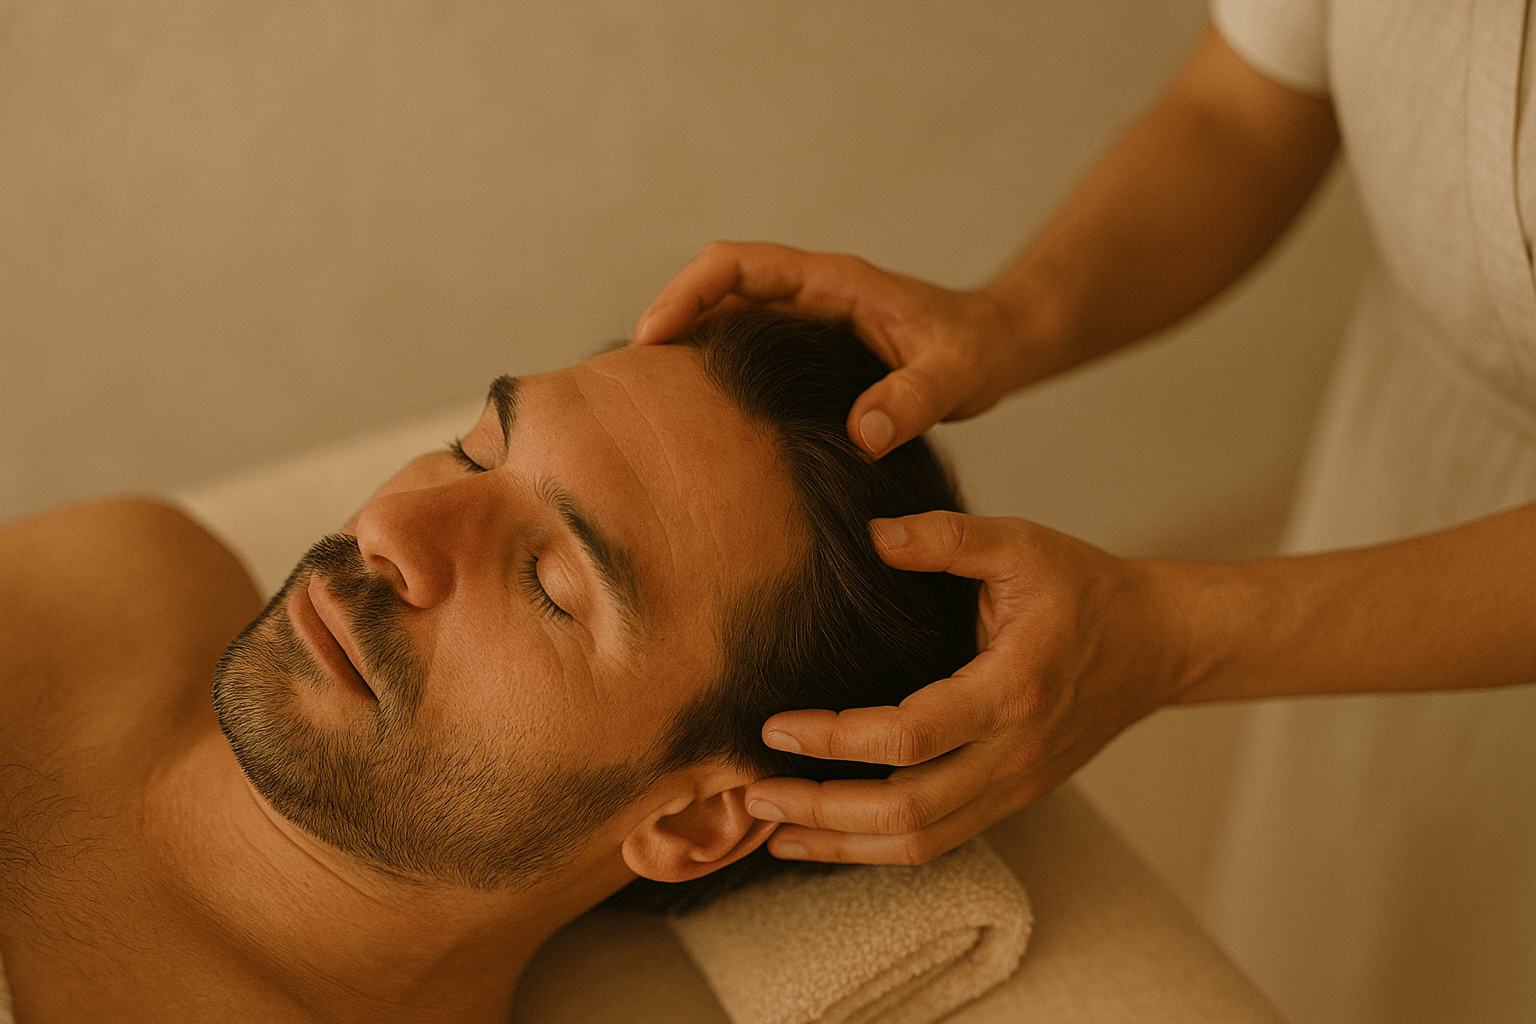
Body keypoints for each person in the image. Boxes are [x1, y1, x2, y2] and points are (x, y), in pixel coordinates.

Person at [634, 3, 1536, 1022]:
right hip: (1425, 440)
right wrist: (1009, 316)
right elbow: (1238, 109)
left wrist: (1175, 641)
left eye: (557, 578)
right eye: (482, 449)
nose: (409, 528)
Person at [0, 311, 977, 1021]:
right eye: (473, 455)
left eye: (551, 582)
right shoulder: (121, 576)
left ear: (691, 818)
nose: (388, 528)